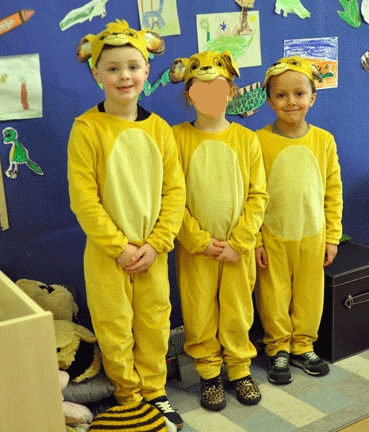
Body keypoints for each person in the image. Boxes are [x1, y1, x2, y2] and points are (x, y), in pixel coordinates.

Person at [67, 19, 186, 429]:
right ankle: (129, 396)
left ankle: (154, 392)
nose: (124, 76)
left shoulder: (160, 130)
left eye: (133, 67)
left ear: (147, 71)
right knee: (114, 326)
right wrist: (119, 247)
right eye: (113, 68)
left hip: (153, 252)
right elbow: (84, 199)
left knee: (154, 323)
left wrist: (156, 243)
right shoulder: (87, 129)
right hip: (108, 255)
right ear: (96, 74)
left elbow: (175, 192)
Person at [168, 50, 269, 411]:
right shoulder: (176, 138)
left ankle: (239, 369)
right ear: (189, 95)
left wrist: (239, 242)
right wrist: (197, 240)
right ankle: (209, 375)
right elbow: (172, 197)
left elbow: (258, 195)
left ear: (231, 92)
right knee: (199, 314)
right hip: (196, 251)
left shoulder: (246, 139)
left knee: (238, 311)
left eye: (218, 88)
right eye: (201, 89)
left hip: (237, 250)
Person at [254, 56, 343, 385]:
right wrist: (256, 240)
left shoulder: (324, 141)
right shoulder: (257, 141)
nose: (291, 101)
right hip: (272, 236)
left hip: (313, 235)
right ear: (269, 101)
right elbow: (251, 195)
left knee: (309, 294)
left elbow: (333, 191)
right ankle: (278, 347)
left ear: (312, 98)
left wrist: (332, 236)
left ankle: (303, 345)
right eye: (281, 95)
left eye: (299, 93)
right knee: (273, 295)